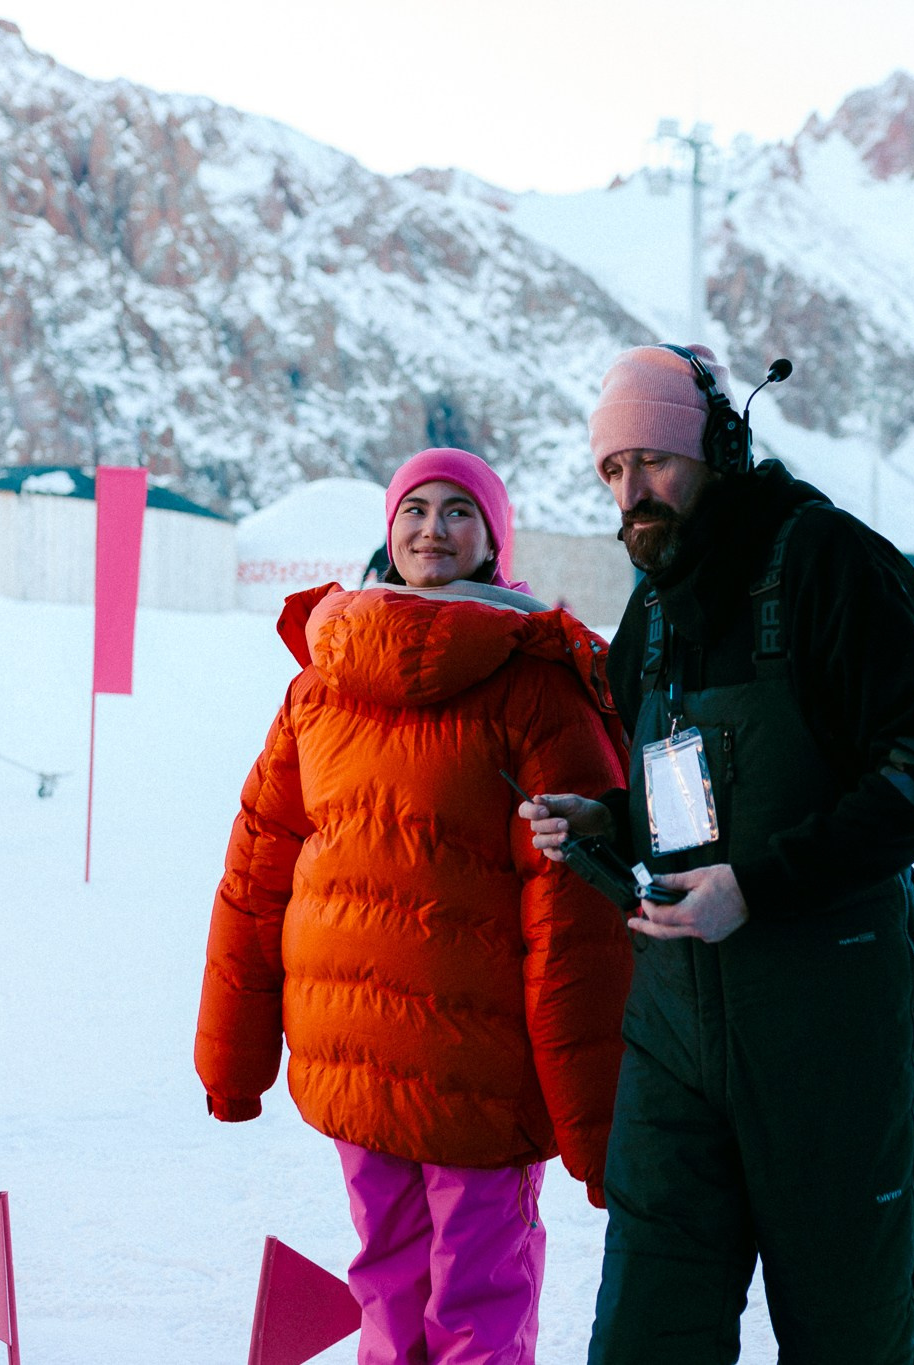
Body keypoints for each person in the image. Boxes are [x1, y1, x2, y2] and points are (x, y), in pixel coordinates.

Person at [521, 344, 914, 1364]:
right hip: (676, 1032)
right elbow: (683, 810)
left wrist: (761, 888)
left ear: (718, 448)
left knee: (852, 1335)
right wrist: (605, 822)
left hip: (827, 1025)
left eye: (654, 461)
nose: (631, 494)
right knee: (645, 1336)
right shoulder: (647, 618)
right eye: (609, 470)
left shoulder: (826, 563)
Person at [198, 448, 632, 1365]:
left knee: (441, 1283)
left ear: (493, 540)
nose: (433, 528)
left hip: (463, 1064)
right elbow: (257, 871)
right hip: (391, 1062)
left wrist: (594, 1115)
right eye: (415, 511)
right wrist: (230, 1058)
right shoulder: (323, 685)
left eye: (457, 511)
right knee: (422, 1283)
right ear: (388, 534)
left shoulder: (535, 683)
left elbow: (573, 917)